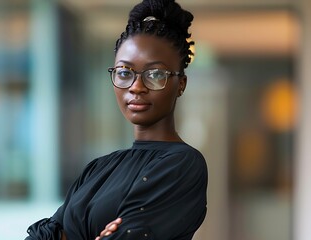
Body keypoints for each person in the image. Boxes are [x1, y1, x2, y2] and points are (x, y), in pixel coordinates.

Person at [25, 0, 207, 239]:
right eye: (124, 73)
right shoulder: (99, 168)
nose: (137, 87)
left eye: (155, 74)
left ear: (180, 84)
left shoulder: (183, 164)